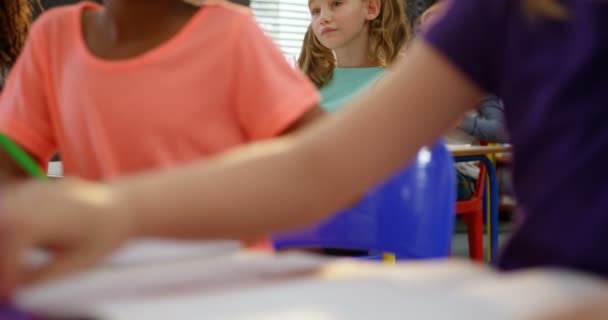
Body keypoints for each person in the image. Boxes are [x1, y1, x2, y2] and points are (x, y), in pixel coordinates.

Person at [0, 0, 606, 298]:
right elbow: (319, 165)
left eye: (330, 6)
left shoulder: (232, 36)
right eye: (313, 9)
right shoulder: (500, 13)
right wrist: (112, 211)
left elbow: (317, 155)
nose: (319, 18)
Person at [299, 0, 409, 112]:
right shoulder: (309, 85)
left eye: (337, 4)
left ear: (371, 8)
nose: (323, 18)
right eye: (316, 11)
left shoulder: (394, 86)